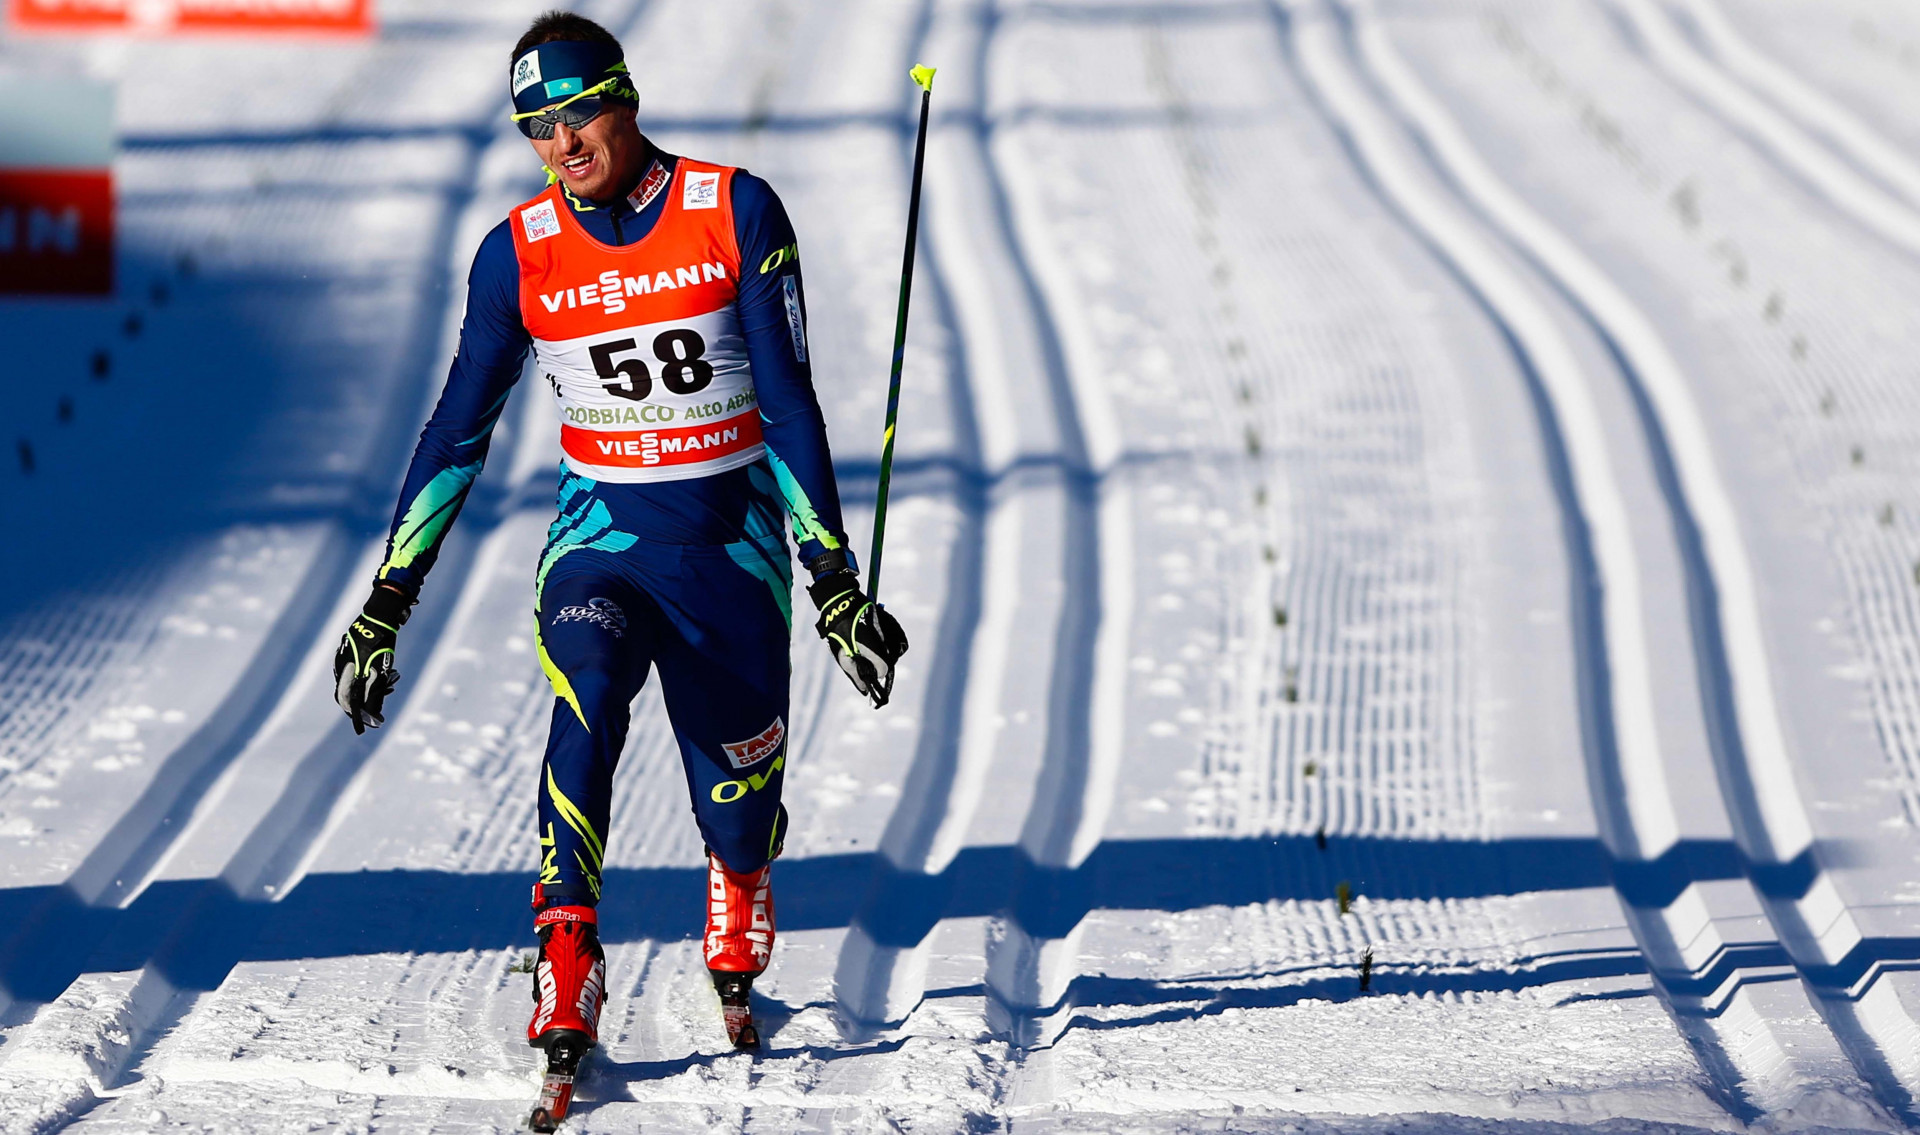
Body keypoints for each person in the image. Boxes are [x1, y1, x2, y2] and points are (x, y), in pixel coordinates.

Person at [330, 9, 908, 1061]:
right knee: (586, 689)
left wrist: (833, 582)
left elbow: (788, 406)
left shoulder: (734, 208)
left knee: (738, 803)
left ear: (624, 99)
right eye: (537, 127)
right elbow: (458, 430)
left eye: (579, 112)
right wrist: (386, 602)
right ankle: (566, 952)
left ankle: (738, 873)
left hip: (731, 550)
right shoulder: (517, 255)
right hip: (601, 539)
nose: (563, 144)